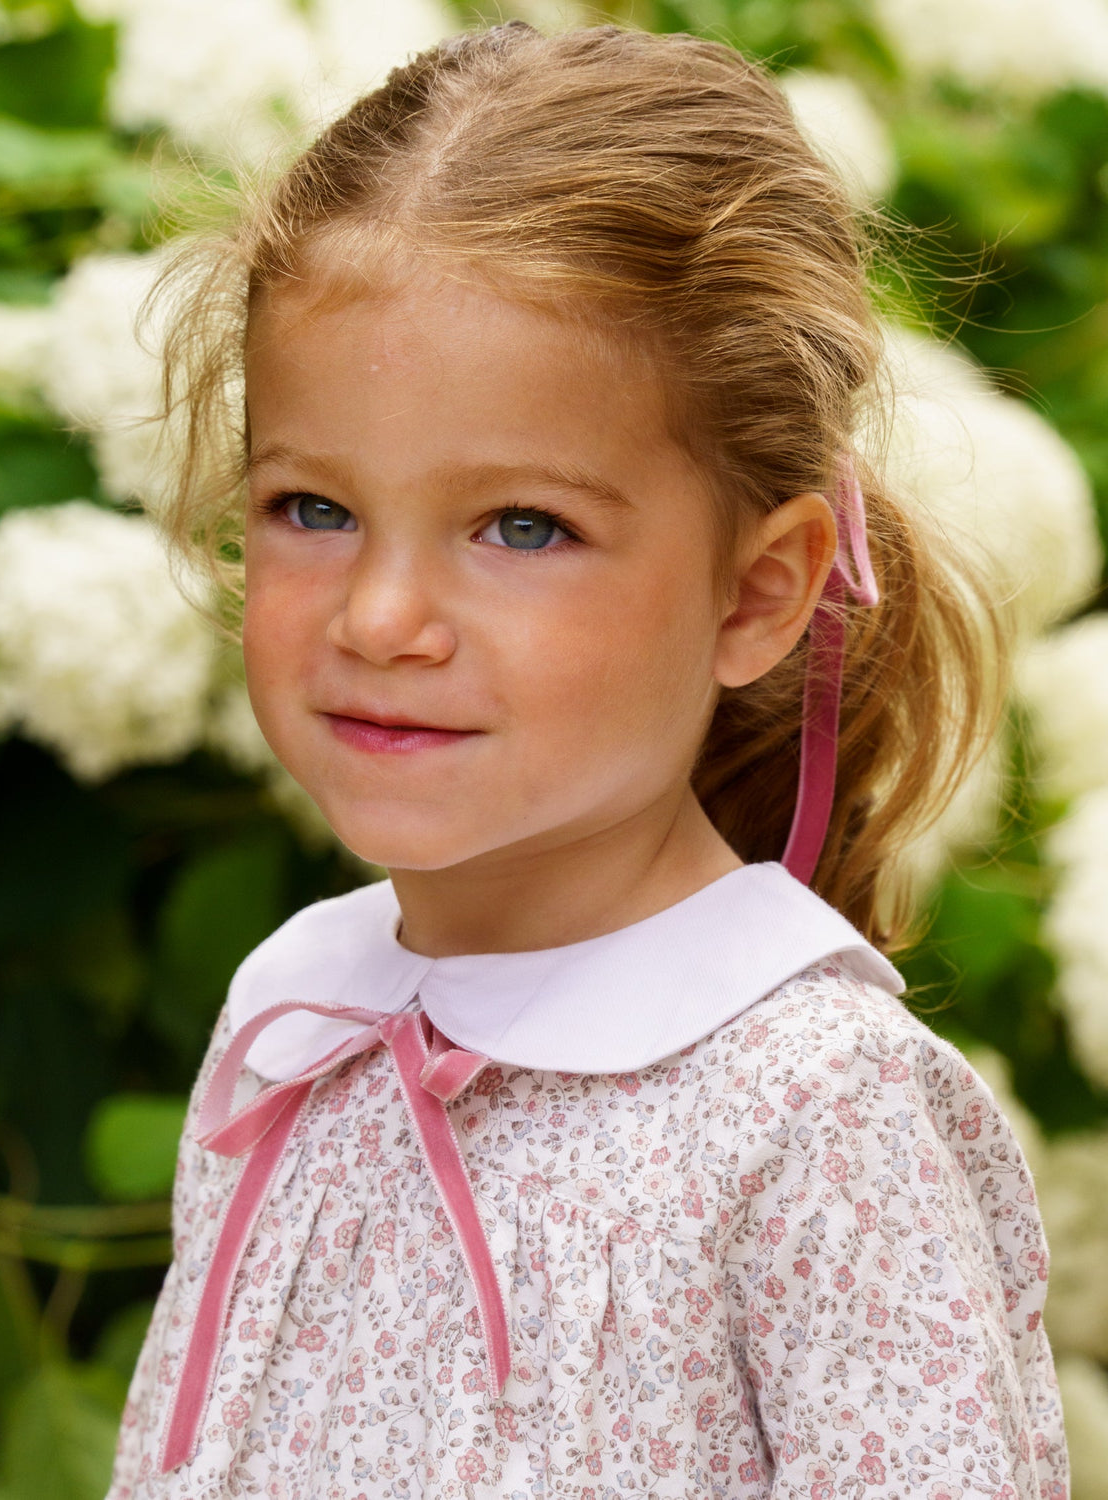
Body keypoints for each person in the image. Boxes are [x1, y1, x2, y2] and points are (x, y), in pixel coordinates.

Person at [107, 21, 1068, 1499]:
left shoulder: (814, 1114)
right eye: (313, 507)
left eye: (522, 529)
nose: (380, 617)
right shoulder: (294, 1018)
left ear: (757, 592)